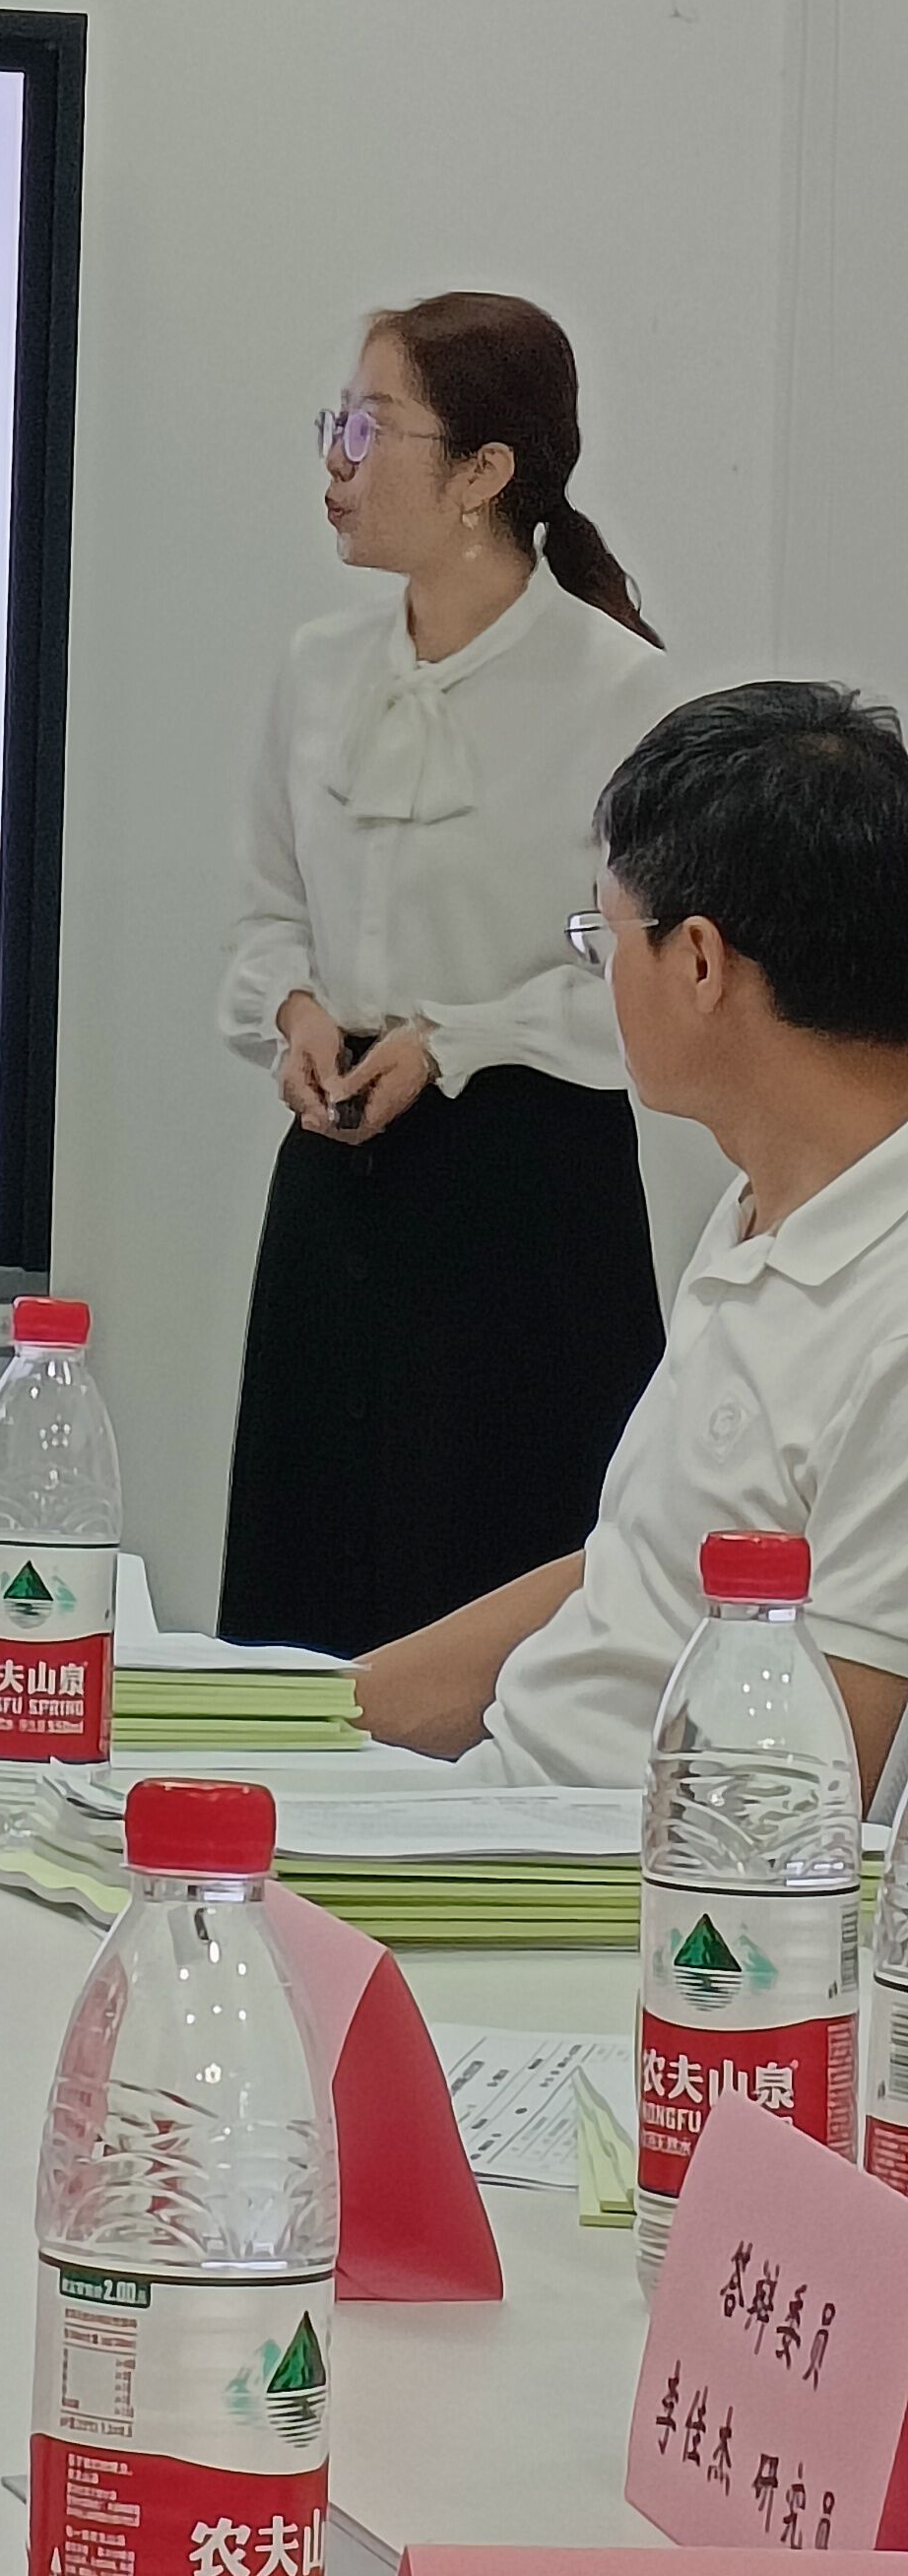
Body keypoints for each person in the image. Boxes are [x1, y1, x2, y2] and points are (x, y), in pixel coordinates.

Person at [216, 294, 674, 1652]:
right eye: (336, 423)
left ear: (483, 472)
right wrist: (294, 1011)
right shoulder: (318, 669)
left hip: (527, 1185)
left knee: (499, 1582)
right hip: (338, 1168)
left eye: (371, 429)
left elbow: (638, 974)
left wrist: (456, 1041)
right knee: (310, 1584)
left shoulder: (622, 693)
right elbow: (265, 911)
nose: (337, 460)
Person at [358, 684, 908, 1794]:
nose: (601, 975)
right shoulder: (767, 1204)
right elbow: (630, 1580)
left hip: (613, 1872)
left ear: (699, 961)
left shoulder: (888, 1308)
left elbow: (801, 1804)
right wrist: (277, 1720)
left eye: (601, 937)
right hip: (509, 1811)